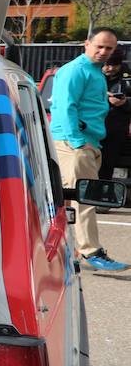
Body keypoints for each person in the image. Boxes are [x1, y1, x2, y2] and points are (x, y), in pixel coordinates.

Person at [50, 27, 128, 272]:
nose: (104, 52)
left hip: (88, 143)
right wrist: (77, 142)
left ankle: (70, 251)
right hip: (76, 144)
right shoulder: (75, 70)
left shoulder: (95, 72)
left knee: (74, 201)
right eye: (100, 46)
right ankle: (90, 251)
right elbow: (64, 107)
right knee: (83, 201)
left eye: (109, 48)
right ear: (87, 44)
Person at [101, 48, 131, 180]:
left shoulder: (128, 76)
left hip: (116, 131)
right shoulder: (92, 74)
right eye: (107, 65)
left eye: (114, 65)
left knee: (107, 166)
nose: (110, 68)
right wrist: (103, 96)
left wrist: (124, 102)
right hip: (92, 129)